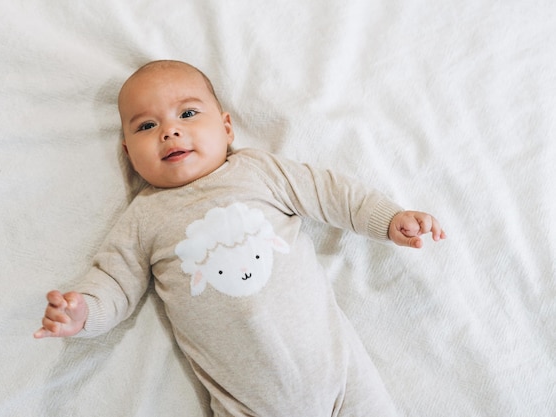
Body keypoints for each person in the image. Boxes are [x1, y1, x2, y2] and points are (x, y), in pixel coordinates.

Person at [34, 60, 445, 416]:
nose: (170, 132)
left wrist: (390, 219)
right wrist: (82, 312)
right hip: (248, 405)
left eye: (188, 114)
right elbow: (113, 281)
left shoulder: (258, 172)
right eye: (147, 125)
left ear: (227, 127)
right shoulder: (143, 218)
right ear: (128, 151)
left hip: (341, 379)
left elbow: (332, 194)